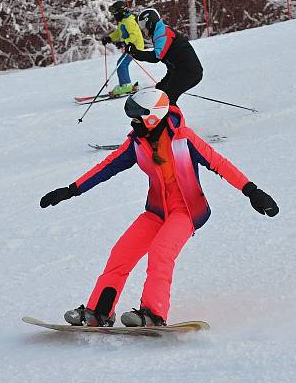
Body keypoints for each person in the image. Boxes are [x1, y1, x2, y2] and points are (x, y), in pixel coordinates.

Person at [39, 89, 278, 327]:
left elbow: (219, 164)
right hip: (156, 212)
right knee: (121, 254)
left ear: (153, 116)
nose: (134, 123)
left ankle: (153, 314)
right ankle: (98, 312)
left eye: (137, 118)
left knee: (161, 253)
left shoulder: (184, 139)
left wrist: (251, 191)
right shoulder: (137, 142)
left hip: (187, 211)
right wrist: (71, 189)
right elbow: (107, 167)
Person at [125, 8, 203, 105]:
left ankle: (172, 120)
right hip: (179, 70)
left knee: (168, 99)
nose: (142, 29)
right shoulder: (159, 32)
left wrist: (136, 52)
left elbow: (156, 57)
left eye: (142, 25)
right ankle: (162, 118)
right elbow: (170, 60)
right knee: (160, 91)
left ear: (149, 22)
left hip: (189, 72)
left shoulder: (163, 33)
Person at [101, 1, 144, 97]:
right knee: (121, 63)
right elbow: (118, 32)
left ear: (121, 12)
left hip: (135, 47)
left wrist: (124, 42)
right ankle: (124, 85)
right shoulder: (123, 21)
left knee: (122, 64)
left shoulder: (129, 21)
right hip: (130, 46)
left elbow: (134, 36)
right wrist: (109, 38)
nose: (114, 16)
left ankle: (126, 85)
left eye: (115, 13)